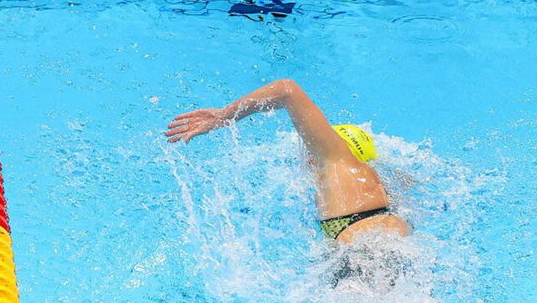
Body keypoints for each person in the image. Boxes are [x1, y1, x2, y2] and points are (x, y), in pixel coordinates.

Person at [164, 79, 410, 244]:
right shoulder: (376, 192)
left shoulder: (338, 162)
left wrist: (224, 115)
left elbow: (286, 90)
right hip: (386, 259)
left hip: (364, 260)